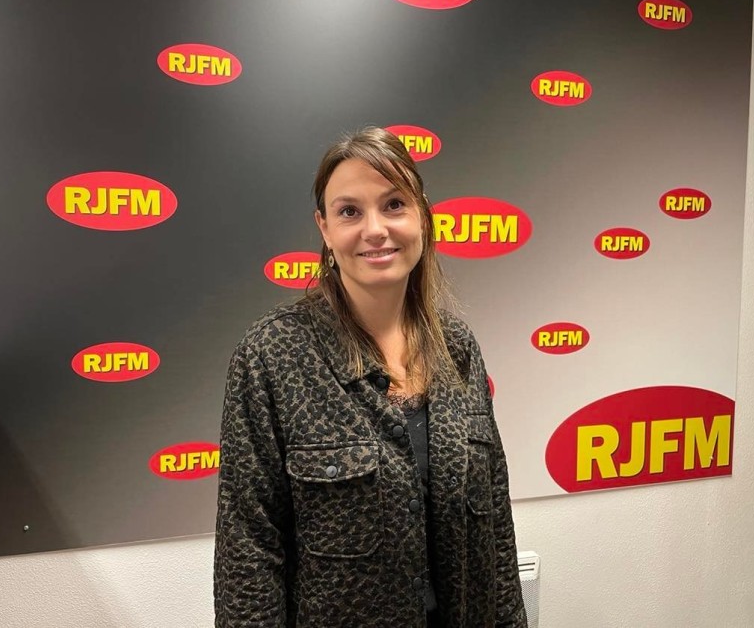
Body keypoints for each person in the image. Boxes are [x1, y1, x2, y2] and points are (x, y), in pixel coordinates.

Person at [214, 126, 528, 627]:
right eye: (349, 211)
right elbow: (248, 551)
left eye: (394, 204)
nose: (375, 229)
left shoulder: (458, 348)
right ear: (324, 228)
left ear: (422, 215)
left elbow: (495, 530)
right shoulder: (272, 354)